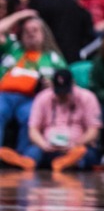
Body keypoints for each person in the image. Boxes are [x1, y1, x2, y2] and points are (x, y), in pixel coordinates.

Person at [0, 12, 64, 168]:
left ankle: (22, 159)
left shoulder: (52, 57)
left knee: (30, 116)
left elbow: (66, 82)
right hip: (4, 95)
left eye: (35, 30)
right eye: (27, 30)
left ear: (44, 33)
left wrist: (53, 86)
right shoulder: (14, 48)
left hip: (33, 98)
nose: (30, 33)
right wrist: (21, 15)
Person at [23, 69, 99, 171]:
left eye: (65, 92)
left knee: (87, 155)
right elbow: (33, 130)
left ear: (73, 84)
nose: (62, 95)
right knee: (33, 152)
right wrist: (44, 144)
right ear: (52, 86)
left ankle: (70, 162)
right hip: (48, 146)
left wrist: (76, 144)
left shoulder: (88, 97)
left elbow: (93, 131)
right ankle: (27, 162)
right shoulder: (42, 97)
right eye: (59, 92)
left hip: (76, 146)